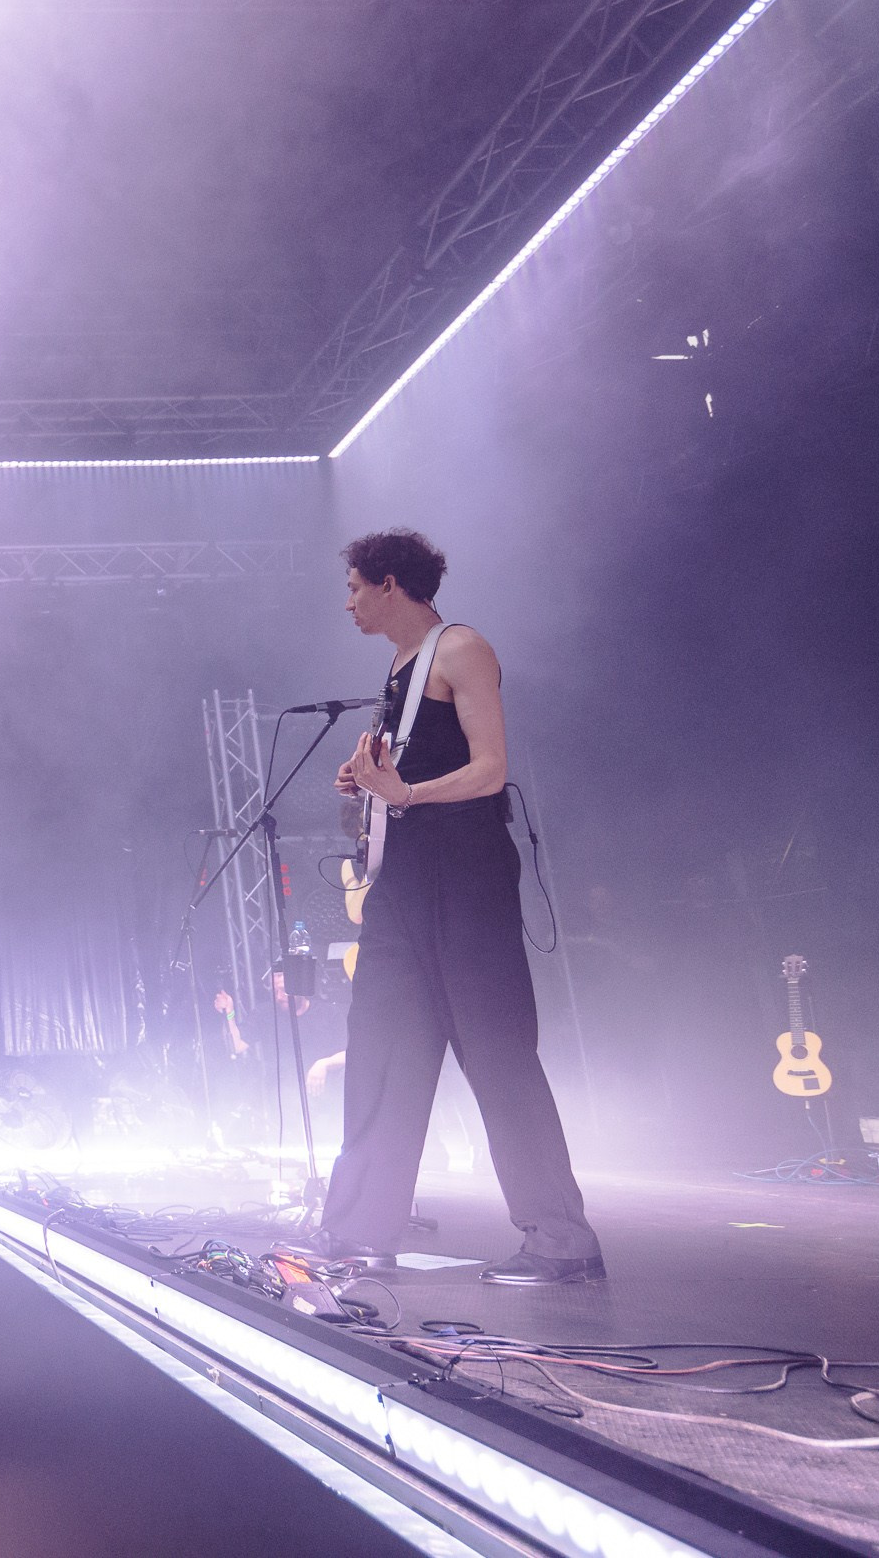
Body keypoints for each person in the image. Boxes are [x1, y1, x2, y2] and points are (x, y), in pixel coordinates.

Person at [307, 530, 602, 1285]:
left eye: (354, 586)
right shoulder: (397, 671)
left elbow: (491, 767)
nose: (347, 601)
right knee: (380, 1049)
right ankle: (360, 1230)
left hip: (466, 884)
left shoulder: (461, 646)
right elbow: (412, 777)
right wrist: (369, 778)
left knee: (498, 1054)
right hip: (404, 888)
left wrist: (404, 791)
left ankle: (562, 1239)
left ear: (392, 584)